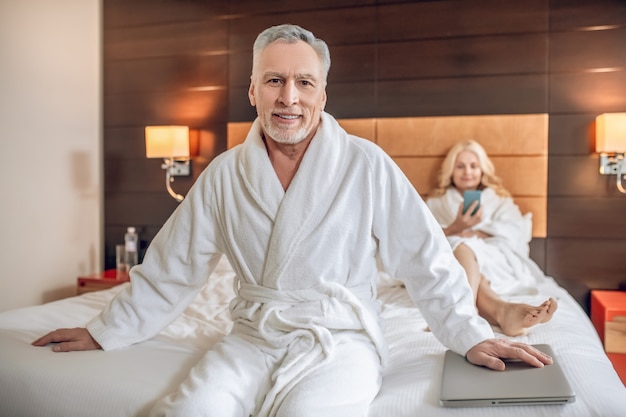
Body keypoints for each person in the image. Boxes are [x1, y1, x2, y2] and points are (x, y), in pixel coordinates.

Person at [32, 24, 552, 417]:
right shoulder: (224, 175)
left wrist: (465, 332)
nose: (289, 97)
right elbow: (173, 267)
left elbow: (426, 259)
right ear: (252, 91)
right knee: (189, 410)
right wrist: (107, 330)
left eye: (305, 82)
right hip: (250, 337)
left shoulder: (365, 164)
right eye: (274, 80)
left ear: (323, 94)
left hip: (341, 338)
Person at [426, 139, 558, 337]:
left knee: (466, 247)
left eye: (473, 166)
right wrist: (456, 228)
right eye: (460, 166)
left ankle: (464, 309)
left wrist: (477, 233)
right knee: (462, 249)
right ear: (450, 170)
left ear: (482, 170)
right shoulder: (437, 202)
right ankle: (504, 311)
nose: (467, 172)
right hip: (452, 258)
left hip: (494, 256)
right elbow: (423, 239)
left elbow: (514, 233)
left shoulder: (498, 199)